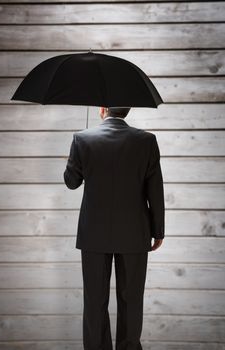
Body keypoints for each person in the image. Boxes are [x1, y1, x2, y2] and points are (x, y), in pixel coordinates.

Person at [63, 106, 165, 350]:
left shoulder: (82, 139)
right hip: (135, 233)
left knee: (95, 300)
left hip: (93, 234)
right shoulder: (147, 141)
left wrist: (73, 158)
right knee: (131, 300)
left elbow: (71, 182)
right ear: (127, 110)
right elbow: (155, 191)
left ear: (103, 110)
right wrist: (157, 230)